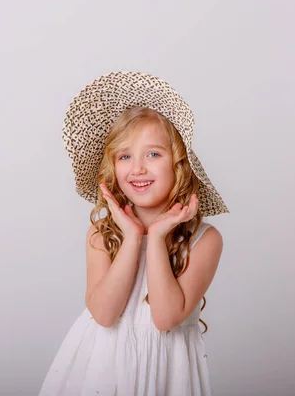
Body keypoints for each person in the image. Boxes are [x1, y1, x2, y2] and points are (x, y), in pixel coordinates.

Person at [39, 72, 229, 395]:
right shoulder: (102, 236)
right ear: (113, 166)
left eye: (153, 154)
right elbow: (104, 313)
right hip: (104, 373)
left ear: (179, 164)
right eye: (125, 156)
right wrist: (131, 238)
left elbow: (166, 317)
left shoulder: (205, 240)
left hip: (167, 375)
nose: (138, 168)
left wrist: (155, 238)